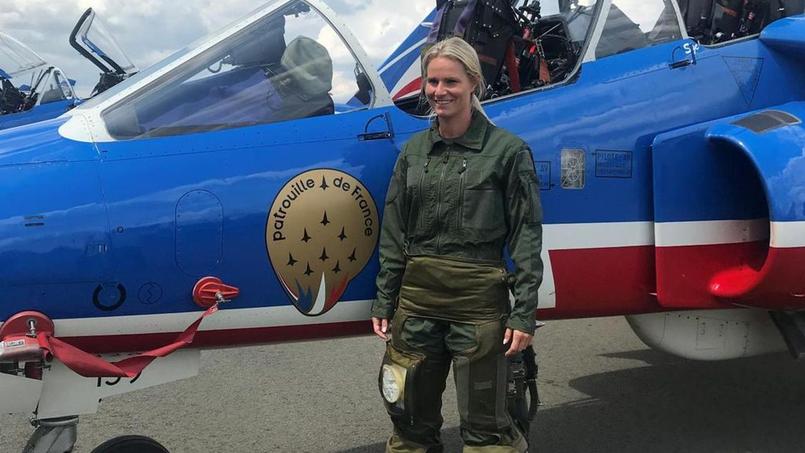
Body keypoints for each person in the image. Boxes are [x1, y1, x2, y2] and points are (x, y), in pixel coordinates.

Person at [371, 36, 543, 453]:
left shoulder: (507, 152)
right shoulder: (413, 152)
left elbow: (525, 234)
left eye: (450, 81)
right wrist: (384, 300)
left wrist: (523, 313)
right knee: (408, 422)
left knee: (489, 430)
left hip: (479, 305)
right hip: (416, 302)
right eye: (432, 81)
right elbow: (394, 232)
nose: (439, 91)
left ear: (473, 84)